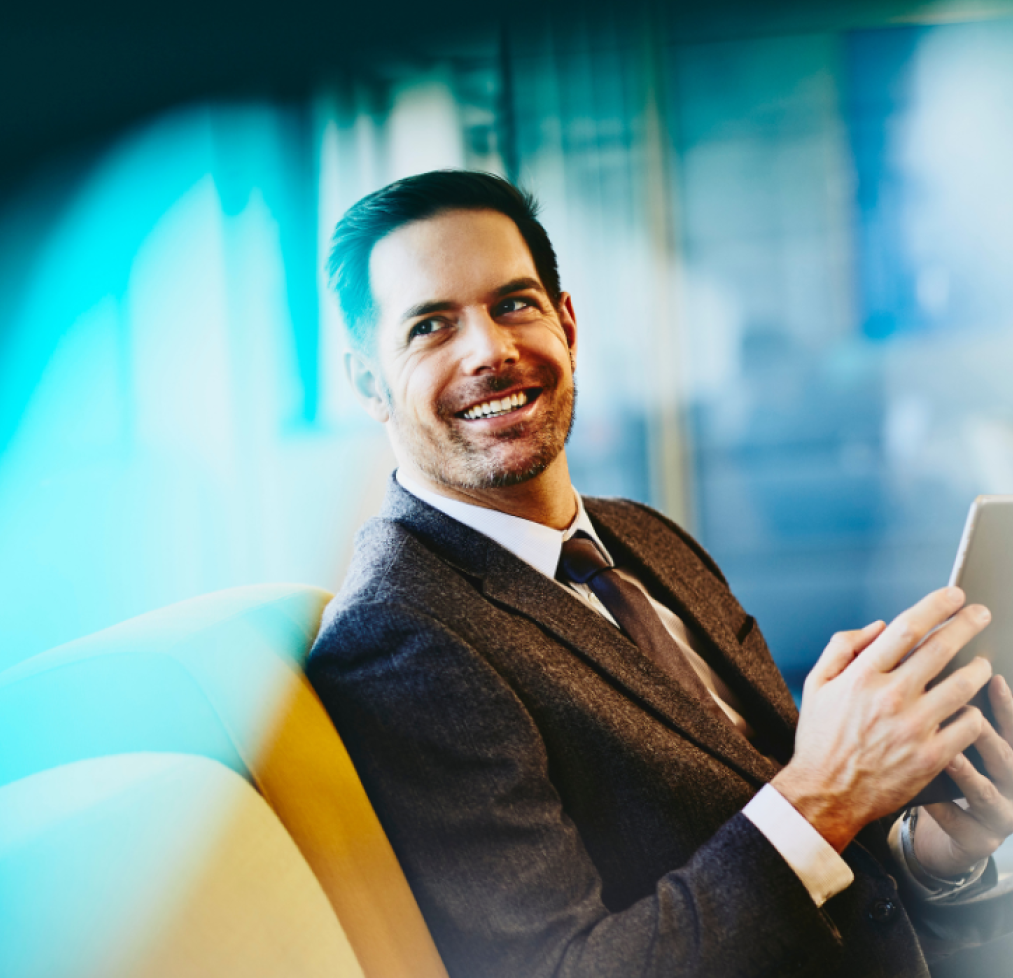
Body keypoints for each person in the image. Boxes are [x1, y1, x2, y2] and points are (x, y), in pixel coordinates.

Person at [306, 170, 1013, 977]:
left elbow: (801, 865)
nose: (490, 351)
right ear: (369, 383)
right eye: (431, 326)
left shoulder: (645, 538)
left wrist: (933, 855)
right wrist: (824, 797)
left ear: (566, 325)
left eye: (514, 304)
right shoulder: (398, 638)